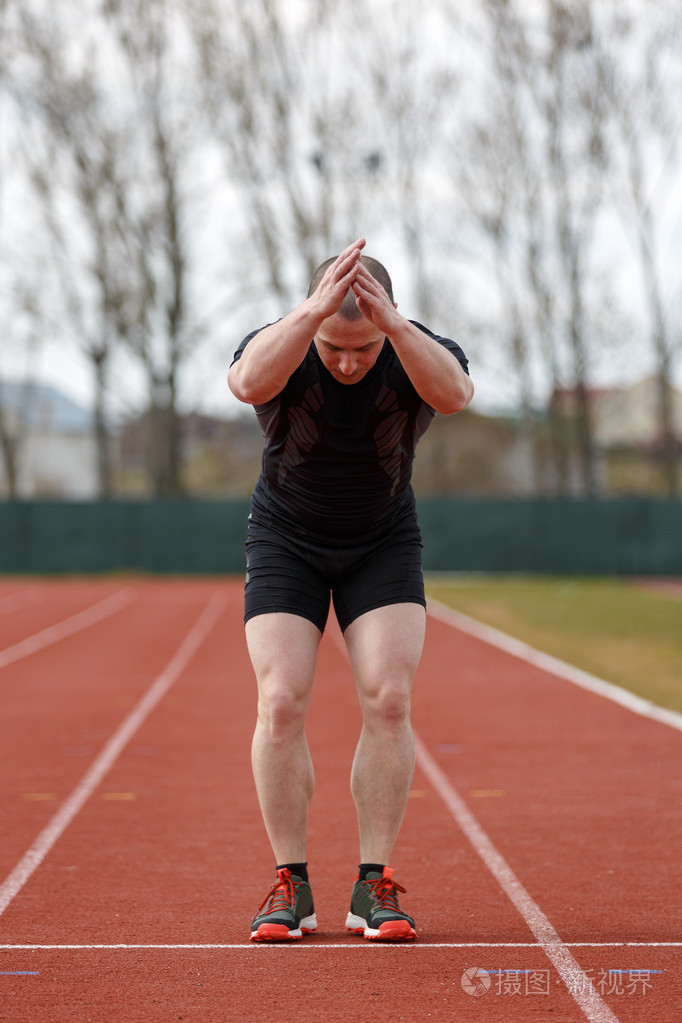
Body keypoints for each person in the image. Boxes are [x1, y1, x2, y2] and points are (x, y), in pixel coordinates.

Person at [228, 237, 473, 942]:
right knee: (280, 700)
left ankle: (373, 884)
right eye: (334, 345)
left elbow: (455, 394)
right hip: (286, 539)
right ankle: (289, 883)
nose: (345, 361)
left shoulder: (412, 347)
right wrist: (310, 313)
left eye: (362, 349)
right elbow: (246, 383)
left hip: (381, 540)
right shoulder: (284, 343)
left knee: (389, 697)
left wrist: (393, 324)